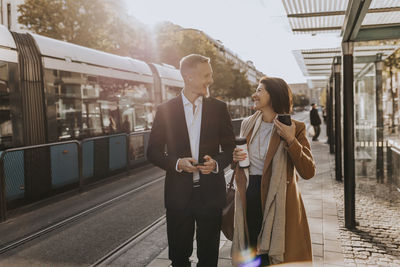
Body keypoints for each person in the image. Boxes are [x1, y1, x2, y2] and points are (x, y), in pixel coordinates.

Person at [147, 54, 235, 267]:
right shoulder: (165, 110)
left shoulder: (218, 108)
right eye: (206, 75)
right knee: (178, 258)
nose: (210, 81)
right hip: (179, 197)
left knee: (209, 258)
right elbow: (153, 152)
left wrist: (216, 164)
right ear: (188, 77)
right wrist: (177, 163)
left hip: (211, 195)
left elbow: (230, 148)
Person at [232, 77, 316, 266]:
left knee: (275, 256)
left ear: (274, 95)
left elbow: (308, 171)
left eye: (260, 90)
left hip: (280, 198)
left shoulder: (295, 127)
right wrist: (236, 158)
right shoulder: (247, 124)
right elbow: (242, 164)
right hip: (250, 194)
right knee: (253, 250)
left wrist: (291, 140)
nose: (254, 94)